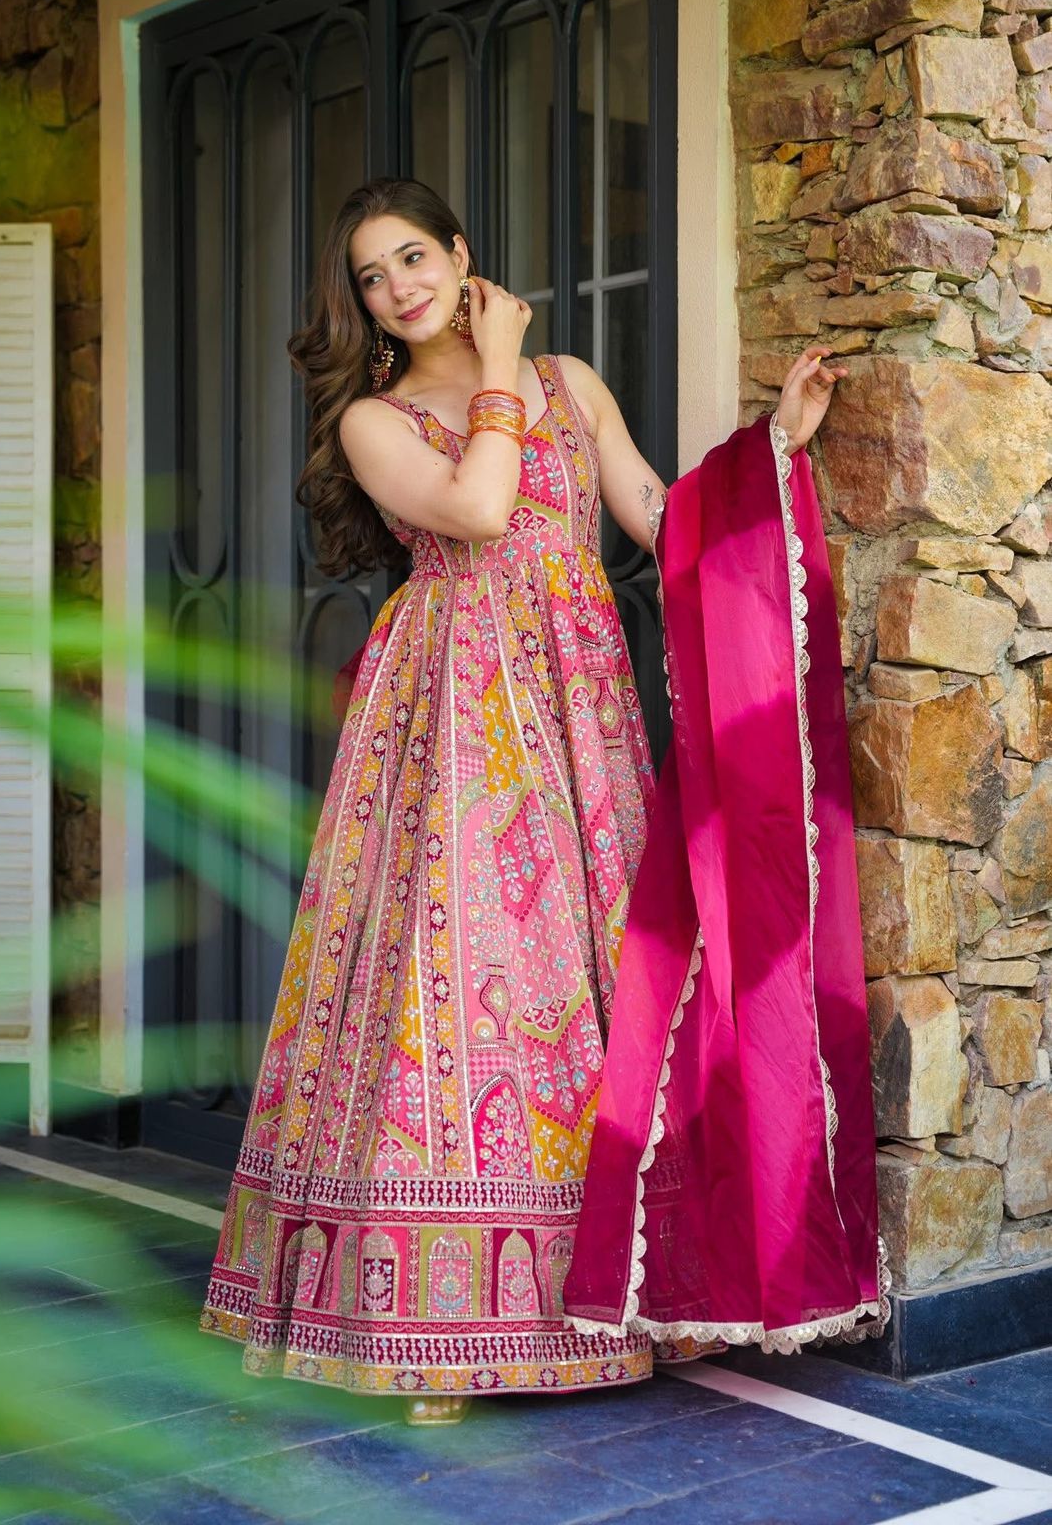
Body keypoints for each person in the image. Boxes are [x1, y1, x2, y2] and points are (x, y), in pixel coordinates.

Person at [200, 176, 849, 1423]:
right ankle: (433, 1329)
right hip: (452, 718)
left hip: (580, 719)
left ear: (459, 250)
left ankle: (607, 1296)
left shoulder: (570, 382)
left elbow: (660, 522)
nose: (398, 287)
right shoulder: (376, 423)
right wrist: (497, 358)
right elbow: (481, 507)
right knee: (455, 984)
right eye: (373, 277)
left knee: (593, 982)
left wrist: (776, 447)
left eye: (412, 256)